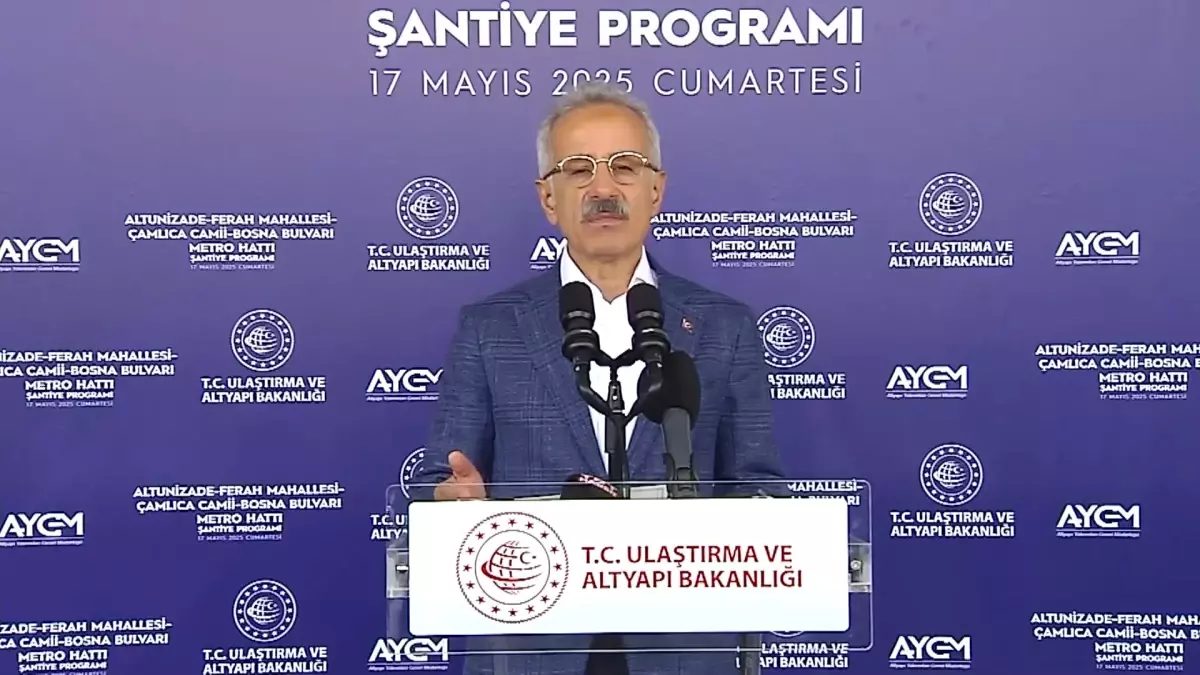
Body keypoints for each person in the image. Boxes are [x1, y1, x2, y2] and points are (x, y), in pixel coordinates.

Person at [411, 81, 787, 675]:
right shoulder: (490, 328)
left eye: (626, 167)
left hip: (683, 647)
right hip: (534, 643)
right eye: (579, 169)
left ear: (656, 190)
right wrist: (451, 503)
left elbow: (758, 488)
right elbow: (440, 481)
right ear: (548, 198)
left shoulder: (725, 325)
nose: (604, 189)